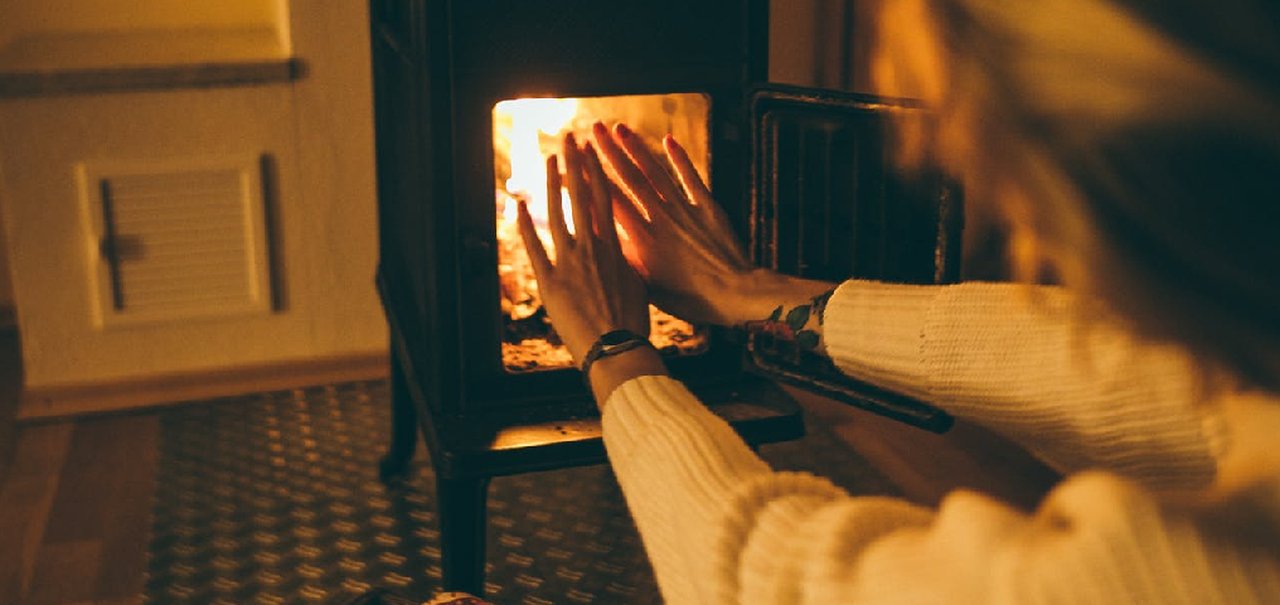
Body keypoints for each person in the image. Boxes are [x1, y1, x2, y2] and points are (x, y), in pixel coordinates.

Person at [516, 0, 1280, 602]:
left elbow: (777, 578)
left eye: (1024, 198)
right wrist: (751, 294)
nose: (1026, 248)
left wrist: (617, 352)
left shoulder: (1196, 567)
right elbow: (1149, 380)